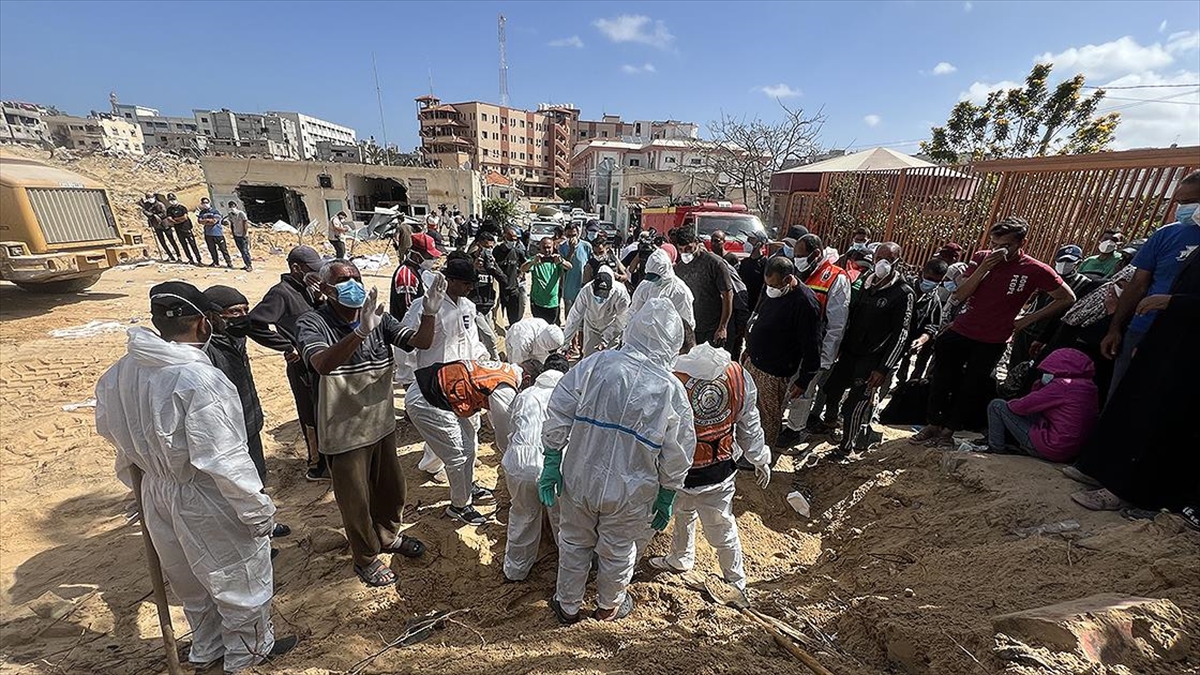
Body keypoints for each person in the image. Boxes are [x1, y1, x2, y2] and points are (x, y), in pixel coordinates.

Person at [95, 282, 296, 671]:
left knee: (189, 580)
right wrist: (257, 510)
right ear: (204, 325)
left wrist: (139, 486)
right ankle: (247, 654)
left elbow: (115, 434)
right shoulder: (198, 380)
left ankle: (207, 649)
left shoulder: (120, 373)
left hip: (157, 489)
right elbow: (224, 457)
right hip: (205, 496)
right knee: (238, 578)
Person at [539, 298, 697, 624]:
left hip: (580, 474)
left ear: (634, 328)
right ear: (674, 343)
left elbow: (559, 406)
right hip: (632, 488)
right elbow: (678, 451)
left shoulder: (597, 363)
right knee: (618, 550)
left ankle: (567, 606)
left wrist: (553, 457)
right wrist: (668, 493)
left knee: (573, 542)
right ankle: (608, 608)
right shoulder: (671, 390)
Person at [296, 260, 426, 587]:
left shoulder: (379, 319)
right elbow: (323, 364)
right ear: (324, 289)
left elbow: (419, 342)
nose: (352, 284)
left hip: (380, 423)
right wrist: (359, 332)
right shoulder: (312, 322)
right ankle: (365, 557)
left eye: (356, 277)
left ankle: (387, 535)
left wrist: (432, 312)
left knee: (391, 490)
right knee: (355, 500)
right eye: (342, 280)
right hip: (344, 429)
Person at [1067, 246, 1199, 529]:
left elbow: (1178, 300)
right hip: (1168, 343)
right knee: (1132, 407)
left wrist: (1174, 302)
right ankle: (1102, 472)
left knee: (1160, 421)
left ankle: (1128, 491)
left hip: (1189, 357)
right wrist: (1152, 341)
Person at [917, 217, 1076, 446]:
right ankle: (932, 425)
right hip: (962, 329)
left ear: (1021, 243)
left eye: (1006, 245)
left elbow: (1067, 297)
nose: (998, 249)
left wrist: (1027, 319)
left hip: (993, 338)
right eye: (994, 243)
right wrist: (985, 267)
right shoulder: (982, 258)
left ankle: (948, 432)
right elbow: (960, 294)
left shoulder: (1034, 269)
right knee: (941, 379)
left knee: (971, 386)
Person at [647, 343, 771, 591]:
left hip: (680, 473)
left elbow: (654, 430)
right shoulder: (736, 374)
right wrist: (759, 457)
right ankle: (729, 577)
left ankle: (727, 577)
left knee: (683, 516)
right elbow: (749, 423)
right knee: (721, 527)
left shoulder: (671, 379)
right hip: (719, 469)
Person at [1100, 171, 1200, 399]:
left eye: (1189, 201)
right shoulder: (1167, 234)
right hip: (1142, 328)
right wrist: (1115, 328)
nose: (1181, 208)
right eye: (1179, 201)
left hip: (1186, 339)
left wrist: (1172, 303)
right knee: (1119, 399)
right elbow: (1138, 285)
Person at [234, 246, 326, 480]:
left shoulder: (308, 290)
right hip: (302, 366)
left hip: (319, 361)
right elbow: (253, 323)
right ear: (296, 268)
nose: (316, 274)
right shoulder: (281, 293)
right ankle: (317, 466)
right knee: (310, 414)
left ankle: (328, 458)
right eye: (311, 270)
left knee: (324, 410)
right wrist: (286, 345)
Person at [812, 243, 913, 455]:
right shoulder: (867, 284)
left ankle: (846, 446)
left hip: (872, 359)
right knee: (831, 389)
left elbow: (900, 335)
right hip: (850, 352)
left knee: (855, 404)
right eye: (879, 256)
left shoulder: (902, 293)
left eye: (887, 258)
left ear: (897, 261)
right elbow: (852, 317)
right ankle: (829, 423)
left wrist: (883, 368)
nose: (881, 262)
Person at [399, 259, 490, 481]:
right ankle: (434, 464)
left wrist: (480, 358)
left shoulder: (468, 306)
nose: (469, 288)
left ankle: (468, 456)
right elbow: (405, 342)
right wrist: (406, 375)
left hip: (464, 375)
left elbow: (471, 339)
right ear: (449, 280)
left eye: (471, 284)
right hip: (434, 377)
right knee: (441, 423)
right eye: (465, 283)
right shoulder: (425, 305)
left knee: (469, 419)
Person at [405, 358, 525, 525]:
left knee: (469, 441)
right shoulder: (505, 389)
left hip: (437, 393)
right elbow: (504, 438)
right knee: (458, 455)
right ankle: (459, 507)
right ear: (526, 379)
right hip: (426, 400)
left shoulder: (507, 372)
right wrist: (517, 466)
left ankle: (467, 487)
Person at [742, 256, 822, 464]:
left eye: (775, 285)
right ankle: (746, 448)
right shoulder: (769, 289)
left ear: (788, 280)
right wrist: (749, 347)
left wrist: (804, 380)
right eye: (768, 284)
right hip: (754, 361)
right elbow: (759, 314)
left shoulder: (805, 303)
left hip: (776, 371)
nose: (770, 289)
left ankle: (762, 457)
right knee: (749, 409)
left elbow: (812, 346)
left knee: (768, 416)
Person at [502, 353, 570, 581]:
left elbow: (512, 430)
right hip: (554, 465)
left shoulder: (525, 395)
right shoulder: (569, 397)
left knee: (523, 515)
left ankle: (515, 571)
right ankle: (570, 569)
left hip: (520, 464)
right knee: (563, 519)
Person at [963, 347, 1097, 461]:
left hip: (1052, 447)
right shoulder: (1089, 387)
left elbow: (1021, 407)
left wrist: (1036, 390)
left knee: (997, 405)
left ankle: (996, 449)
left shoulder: (1061, 387)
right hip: (1071, 451)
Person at [783, 234, 851, 435]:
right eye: (795, 255)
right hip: (791, 347)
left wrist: (825, 358)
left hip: (814, 349)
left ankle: (795, 429)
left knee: (803, 391)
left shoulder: (835, 278)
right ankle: (787, 424)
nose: (797, 259)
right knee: (789, 388)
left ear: (816, 254)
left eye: (801, 255)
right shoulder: (799, 272)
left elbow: (837, 324)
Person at [1007, 244, 1099, 376]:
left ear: (1078, 262)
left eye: (1069, 261)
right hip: (1029, 327)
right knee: (1015, 366)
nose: (1064, 264)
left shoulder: (1083, 283)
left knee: (1038, 370)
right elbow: (1027, 303)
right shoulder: (1046, 275)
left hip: (1050, 333)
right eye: (1061, 260)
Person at [390, 232, 440, 386]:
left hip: (418, 333)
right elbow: (409, 313)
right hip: (408, 334)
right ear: (418, 255)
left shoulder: (419, 272)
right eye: (429, 256)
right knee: (410, 374)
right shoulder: (406, 276)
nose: (432, 260)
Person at [673, 228, 733, 348]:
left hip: (712, 329)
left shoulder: (715, 263)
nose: (685, 252)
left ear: (695, 242)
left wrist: (722, 327)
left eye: (688, 248)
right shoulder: (678, 269)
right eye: (681, 250)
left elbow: (728, 296)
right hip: (690, 330)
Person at [896, 258, 951, 384]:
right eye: (929, 279)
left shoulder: (934, 300)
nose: (932, 283)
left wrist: (921, 340)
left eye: (937, 281)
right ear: (921, 273)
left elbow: (932, 326)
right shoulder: (903, 288)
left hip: (909, 346)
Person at [630, 248, 696, 351]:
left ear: (665, 272)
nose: (653, 280)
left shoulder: (680, 291)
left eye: (656, 277)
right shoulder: (646, 285)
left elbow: (687, 323)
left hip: (669, 341)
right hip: (644, 340)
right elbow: (634, 311)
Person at [563, 267, 631, 357]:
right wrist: (565, 343)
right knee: (588, 359)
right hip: (592, 326)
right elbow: (574, 317)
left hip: (611, 327)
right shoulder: (586, 291)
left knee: (608, 362)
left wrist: (606, 339)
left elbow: (622, 319)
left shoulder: (620, 293)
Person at [523, 237, 570, 325]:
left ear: (553, 248)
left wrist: (560, 262)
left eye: (549, 247)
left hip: (552, 302)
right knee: (538, 328)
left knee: (550, 328)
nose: (547, 250)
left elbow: (569, 266)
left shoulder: (556, 260)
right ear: (540, 248)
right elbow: (523, 268)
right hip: (537, 302)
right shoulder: (535, 259)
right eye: (544, 247)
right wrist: (533, 262)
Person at [494, 226, 527, 326]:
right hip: (499, 291)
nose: (512, 242)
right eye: (510, 239)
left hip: (513, 290)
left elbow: (525, 265)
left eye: (515, 240)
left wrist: (521, 274)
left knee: (514, 320)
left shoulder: (517, 252)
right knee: (497, 319)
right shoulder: (497, 251)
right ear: (504, 237)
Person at [141, 193, 179, 262]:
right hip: (156, 225)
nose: (150, 199)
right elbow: (145, 212)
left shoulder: (160, 204)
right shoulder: (147, 206)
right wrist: (153, 215)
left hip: (165, 224)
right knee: (162, 242)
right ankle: (170, 256)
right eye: (148, 198)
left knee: (171, 240)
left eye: (151, 197)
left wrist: (157, 216)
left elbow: (164, 213)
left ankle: (178, 255)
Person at [166, 192, 202, 265]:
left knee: (193, 245)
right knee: (184, 245)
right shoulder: (169, 210)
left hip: (186, 228)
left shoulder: (182, 208)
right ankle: (190, 259)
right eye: (170, 200)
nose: (172, 201)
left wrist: (175, 220)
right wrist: (177, 220)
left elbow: (185, 218)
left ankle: (198, 260)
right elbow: (169, 219)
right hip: (178, 230)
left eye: (173, 199)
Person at [197, 197, 232, 268]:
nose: (205, 204)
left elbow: (214, 221)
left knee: (223, 249)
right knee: (212, 249)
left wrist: (205, 221)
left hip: (217, 233)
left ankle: (229, 263)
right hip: (208, 234)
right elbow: (200, 221)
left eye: (206, 202)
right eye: (203, 203)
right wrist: (208, 221)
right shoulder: (202, 212)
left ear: (209, 203)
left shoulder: (215, 211)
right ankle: (215, 262)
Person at [738, 234, 768, 311]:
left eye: (751, 240)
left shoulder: (765, 264)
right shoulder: (744, 262)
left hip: (756, 306)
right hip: (743, 304)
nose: (747, 243)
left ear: (759, 244)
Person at [223, 201, 254, 271]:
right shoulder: (230, 215)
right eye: (230, 206)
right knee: (241, 251)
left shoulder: (241, 213)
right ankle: (246, 264)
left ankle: (249, 265)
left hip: (243, 235)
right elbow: (231, 224)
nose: (232, 208)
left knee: (245, 251)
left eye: (233, 206)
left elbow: (245, 223)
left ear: (236, 206)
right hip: (236, 235)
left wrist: (245, 233)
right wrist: (233, 233)